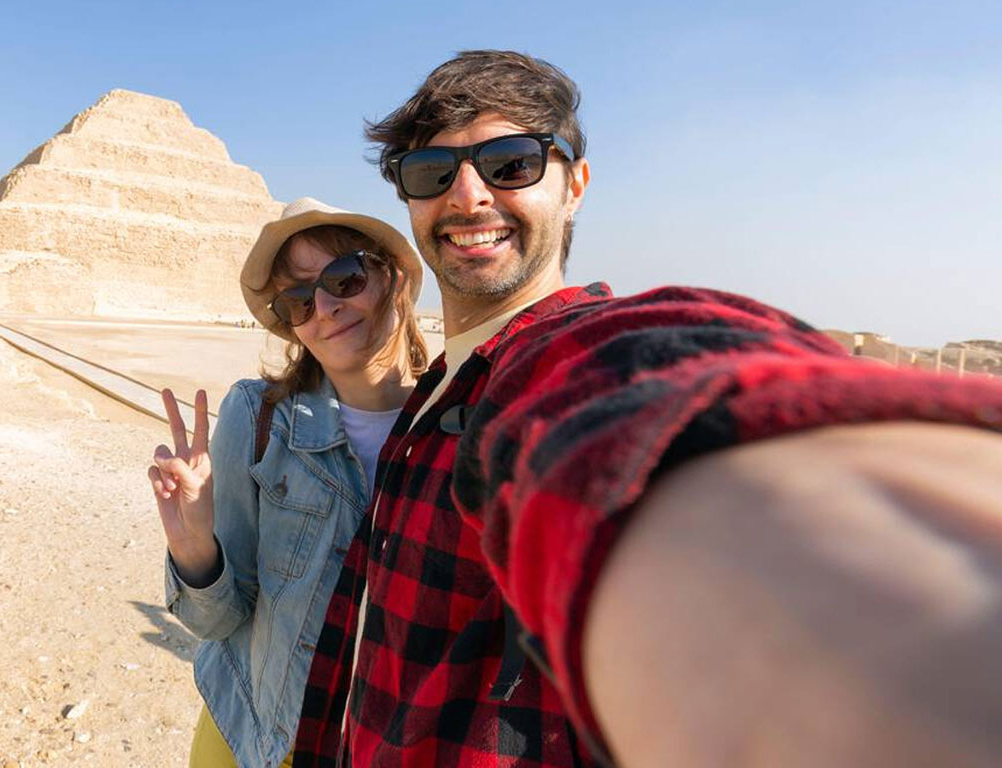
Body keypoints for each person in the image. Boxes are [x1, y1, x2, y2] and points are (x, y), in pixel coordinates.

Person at [292, 50, 1002, 767]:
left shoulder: (556, 362)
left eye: (510, 164)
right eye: (432, 173)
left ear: (576, 186)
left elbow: (643, 380)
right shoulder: (437, 387)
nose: (468, 195)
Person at [149, 198, 430, 768]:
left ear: (393, 277)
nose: (324, 308)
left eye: (344, 277)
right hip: (258, 738)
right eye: (298, 300)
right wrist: (194, 549)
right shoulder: (258, 419)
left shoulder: (455, 421)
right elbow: (217, 621)